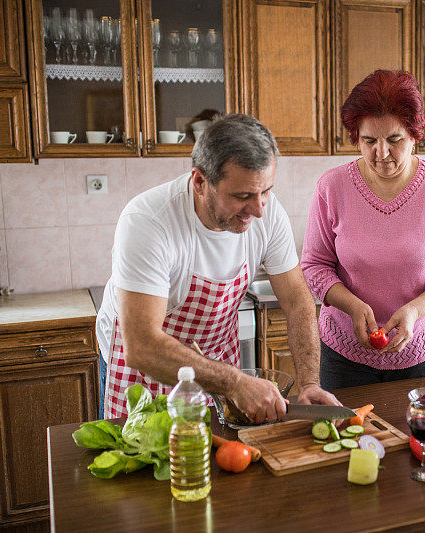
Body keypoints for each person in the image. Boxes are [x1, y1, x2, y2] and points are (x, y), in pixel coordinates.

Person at [96, 113, 339, 421]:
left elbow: (296, 300)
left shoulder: (267, 211)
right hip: (145, 364)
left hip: (215, 361)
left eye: (266, 191)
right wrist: (234, 381)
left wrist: (309, 383)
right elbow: (142, 345)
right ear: (200, 181)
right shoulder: (149, 221)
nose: (259, 210)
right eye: (243, 196)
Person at [301, 70, 425, 390]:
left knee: (421, 437)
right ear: (356, 137)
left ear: (414, 135)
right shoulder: (331, 187)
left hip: (423, 353)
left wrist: (414, 311)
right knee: (345, 439)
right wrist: (352, 306)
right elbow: (314, 265)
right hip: (344, 354)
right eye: (369, 141)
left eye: (394, 140)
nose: (381, 153)